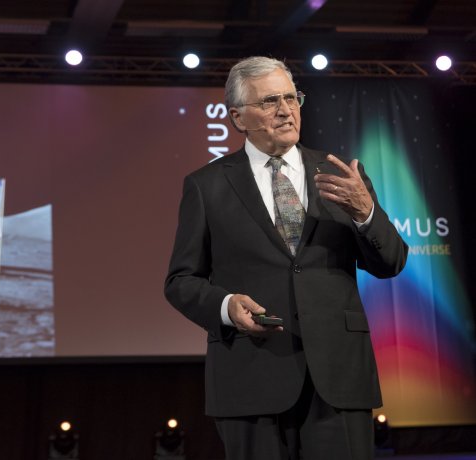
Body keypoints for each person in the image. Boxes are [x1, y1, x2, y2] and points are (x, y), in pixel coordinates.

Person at [164, 56, 408, 459]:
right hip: (251, 378)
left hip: (339, 378)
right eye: (270, 101)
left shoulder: (342, 176)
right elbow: (180, 281)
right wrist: (226, 307)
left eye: (292, 98)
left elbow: (391, 263)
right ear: (238, 117)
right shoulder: (207, 186)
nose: (285, 110)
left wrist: (366, 213)